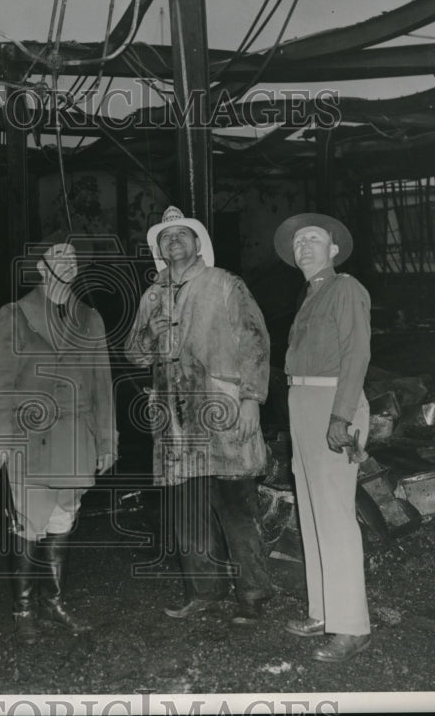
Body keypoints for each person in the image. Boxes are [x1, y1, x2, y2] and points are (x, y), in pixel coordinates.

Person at [124, 206, 274, 625]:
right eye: (165, 237)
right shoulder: (152, 295)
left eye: (181, 235)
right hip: (174, 416)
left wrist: (251, 398)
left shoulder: (224, 283)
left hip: (221, 408)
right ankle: (205, 592)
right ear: (159, 249)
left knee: (236, 507)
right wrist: (148, 332)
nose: (173, 241)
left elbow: (255, 340)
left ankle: (254, 594)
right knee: (188, 509)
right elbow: (133, 355)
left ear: (197, 243)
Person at [0, 235, 117, 645]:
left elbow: (102, 383)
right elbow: (0, 382)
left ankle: (54, 602)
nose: (68, 260)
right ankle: (24, 609)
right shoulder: (15, 315)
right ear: (40, 268)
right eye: (58, 254)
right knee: (29, 524)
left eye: (73, 256)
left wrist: (107, 439)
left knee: (63, 520)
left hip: (76, 435)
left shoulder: (89, 318)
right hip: (31, 438)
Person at [273, 212, 372, 663]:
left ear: (334, 249)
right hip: (304, 403)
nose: (304, 247)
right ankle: (323, 611)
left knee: (334, 517)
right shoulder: (311, 294)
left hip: (333, 402)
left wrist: (341, 417)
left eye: (313, 239)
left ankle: (352, 626)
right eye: (298, 243)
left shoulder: (345, 288)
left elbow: (357, 354)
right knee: (312, 515)